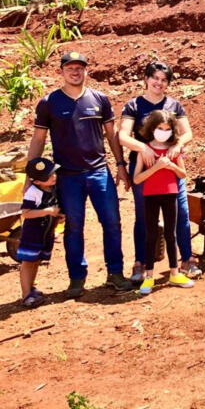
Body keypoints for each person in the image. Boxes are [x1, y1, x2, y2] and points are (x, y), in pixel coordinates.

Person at [27, 51, 132, 298]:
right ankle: (77, 278)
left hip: (98, 172)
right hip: (68, 177)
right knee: (74, 227)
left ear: (87, 70)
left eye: (80, 67)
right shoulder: (49, 102)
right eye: (70, 68)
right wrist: (31, 174)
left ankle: (115, 273)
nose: (75, 72)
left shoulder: (100, 99)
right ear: (61, 71)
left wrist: (120, 164)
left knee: (112, 223)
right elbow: (38, 139)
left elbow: (112, 134)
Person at [118, 61, 199, 283]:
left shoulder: (174, 105)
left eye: (164, 80)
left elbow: (187, 133)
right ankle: (140, 263)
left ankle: (187, 260)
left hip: (170, 168)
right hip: (144, 167)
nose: (159, 83)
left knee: (180, 214)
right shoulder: (133, 105)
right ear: (146, 79)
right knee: (144, 217)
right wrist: (141, 147)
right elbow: (123, 135)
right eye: (155, 78)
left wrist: (177, 145)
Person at [133, 110, 195, 295]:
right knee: (151, 234)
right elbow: (137, 178)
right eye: (160, 128)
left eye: (167, 129)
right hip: (150, 195)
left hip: (170, 194)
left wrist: (172, 165)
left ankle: (175, 273)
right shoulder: (144, 150)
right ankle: (149, 276)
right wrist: (157, 167)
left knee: (171, 233)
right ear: (152, 128)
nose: (163, 132)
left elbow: (183, 174)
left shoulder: (173, 149)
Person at [18, 158, 60, 308]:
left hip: (45, 233)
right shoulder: (33, 192)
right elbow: (26, 213)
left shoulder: (53, 189)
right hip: (33, 234)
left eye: (53, 173)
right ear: (36, 182)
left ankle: (31, 288)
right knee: (28, 263)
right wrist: (47, 211)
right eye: (48, 176)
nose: (53, 177)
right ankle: (25, 294)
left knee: (36, 262)